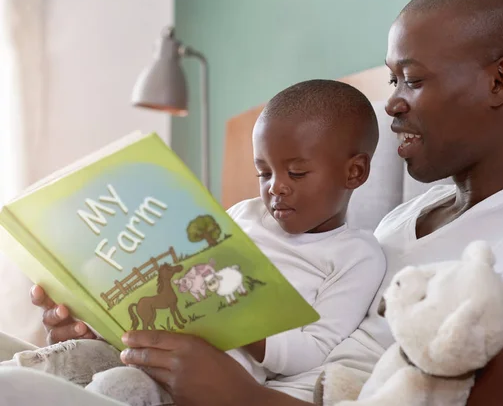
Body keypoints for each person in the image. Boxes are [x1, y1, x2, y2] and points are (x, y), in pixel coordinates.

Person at [0, 0, 503, 406]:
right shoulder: (397, 224)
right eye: (391, 79)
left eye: (411, 79)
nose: (389, 102)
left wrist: (240, 398)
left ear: (501, 80)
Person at [0, 79, 387, 404]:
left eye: (297, 173)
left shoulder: (357, 256)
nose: (276, 188)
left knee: (116, 388)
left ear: (354, 172)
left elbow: (316, 350)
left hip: (194, 377)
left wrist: (244, 323)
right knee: (50, 362)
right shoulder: (246, 215)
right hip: (149, 339)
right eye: (263, 172)